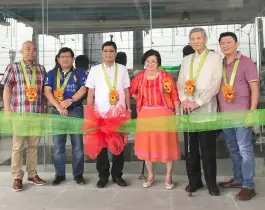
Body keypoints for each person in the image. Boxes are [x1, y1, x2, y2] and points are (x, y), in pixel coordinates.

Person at [177, 27, 223, 196]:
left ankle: (212, 184)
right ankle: (194, 181)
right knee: (191, 150)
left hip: (206, 111)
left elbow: (216, 83)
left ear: (205, 39)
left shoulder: (215, 57)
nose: (196, 41)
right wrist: (184, 100)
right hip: (188, 112)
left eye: (199, 38)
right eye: (192, 38)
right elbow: (180, 82)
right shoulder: (186, 59)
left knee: (208, 150)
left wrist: (197, 102)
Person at [216, 32, 259, 201]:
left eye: (228, 42)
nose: (225, 46)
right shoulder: (219, 64)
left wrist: (252, 111)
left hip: (242, 114)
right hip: (225, 115)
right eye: (222, 43)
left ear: (236, 43)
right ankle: (238, 179)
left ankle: (249, 185)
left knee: (244, 149)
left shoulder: (246, 62)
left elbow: (254, 88)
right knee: (233, 149)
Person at [130, 49, 181, 190]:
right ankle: (151, 174)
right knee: (147, 145)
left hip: (165, 115)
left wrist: (177, 114)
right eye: (148, 61)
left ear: (158, 63)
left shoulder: (166, 76)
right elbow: (132, 92)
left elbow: (175, 97)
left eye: (154, 61)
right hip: (145, 115)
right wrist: (141, 100)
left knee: (167, 145)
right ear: (144, 63)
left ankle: (168, 175)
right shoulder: (140, 77)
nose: (151, 63)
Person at [1, 41, 46, 192]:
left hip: (36, 114)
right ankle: (17, 177)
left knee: (33, 146)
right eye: (28, 49)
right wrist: (7, 110)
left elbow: (43, 92)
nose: (31, 52)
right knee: (18, 147)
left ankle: (32, 174)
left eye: (34, 50)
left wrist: (44, 110)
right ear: (21, 51)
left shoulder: (41, 69)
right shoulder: (13, 67)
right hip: (19, 114)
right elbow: (6, 89)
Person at [85, 41, 131, 188]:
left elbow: (126, 90)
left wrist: (129, 108)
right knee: (102, 146)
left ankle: (117, 175)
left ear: (115, 53)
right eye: (105, 51)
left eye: (111, 51)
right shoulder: (95, 70)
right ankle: (103, 176)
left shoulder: (123, 69)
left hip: (119, 114)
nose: (108, 54)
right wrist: (90, 110)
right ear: (102, 53)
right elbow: (90, 91)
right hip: (100, 114)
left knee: (119, 145)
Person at [43, 47, 87, 185]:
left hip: (75, 110)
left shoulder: (79, 73)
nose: (65, 59)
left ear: (73, 59)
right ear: (58, 59)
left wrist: (71, 100)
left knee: (78, 146)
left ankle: (78, 174)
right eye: (62, 57)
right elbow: (46, 90)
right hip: (57, 113)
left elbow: (84, 88)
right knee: (58, 146)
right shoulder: (51, 73)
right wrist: (58, 106)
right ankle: (59, 174)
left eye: (68, 56)